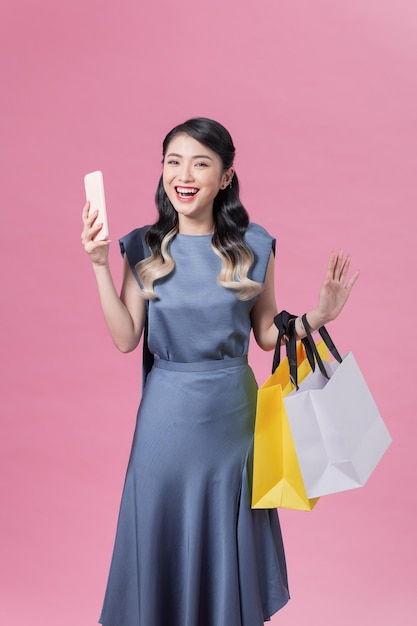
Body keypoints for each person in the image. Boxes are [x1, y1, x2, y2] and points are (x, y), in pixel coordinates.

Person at [81, 117, 359, 626]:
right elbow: (125, 338)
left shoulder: (254, 245)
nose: (184, 174)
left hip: (232, 421)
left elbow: (266, 334)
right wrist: (100, 263)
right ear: (162, 170)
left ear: (226, 177)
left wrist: (316, 316)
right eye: (173, 161)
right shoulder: (142, 246)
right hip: (164, 420)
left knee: (224, 544)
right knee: (162, 538)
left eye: (200, 163)